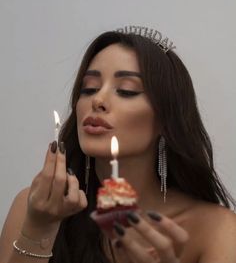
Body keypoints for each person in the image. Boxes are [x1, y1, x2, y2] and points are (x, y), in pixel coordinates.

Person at [0, 26, 236, 263]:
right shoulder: (35, 208)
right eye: (89, 88)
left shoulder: (215, 230)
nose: (98, 100)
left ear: (166, 120)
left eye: (126, 91)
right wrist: (40, 231)